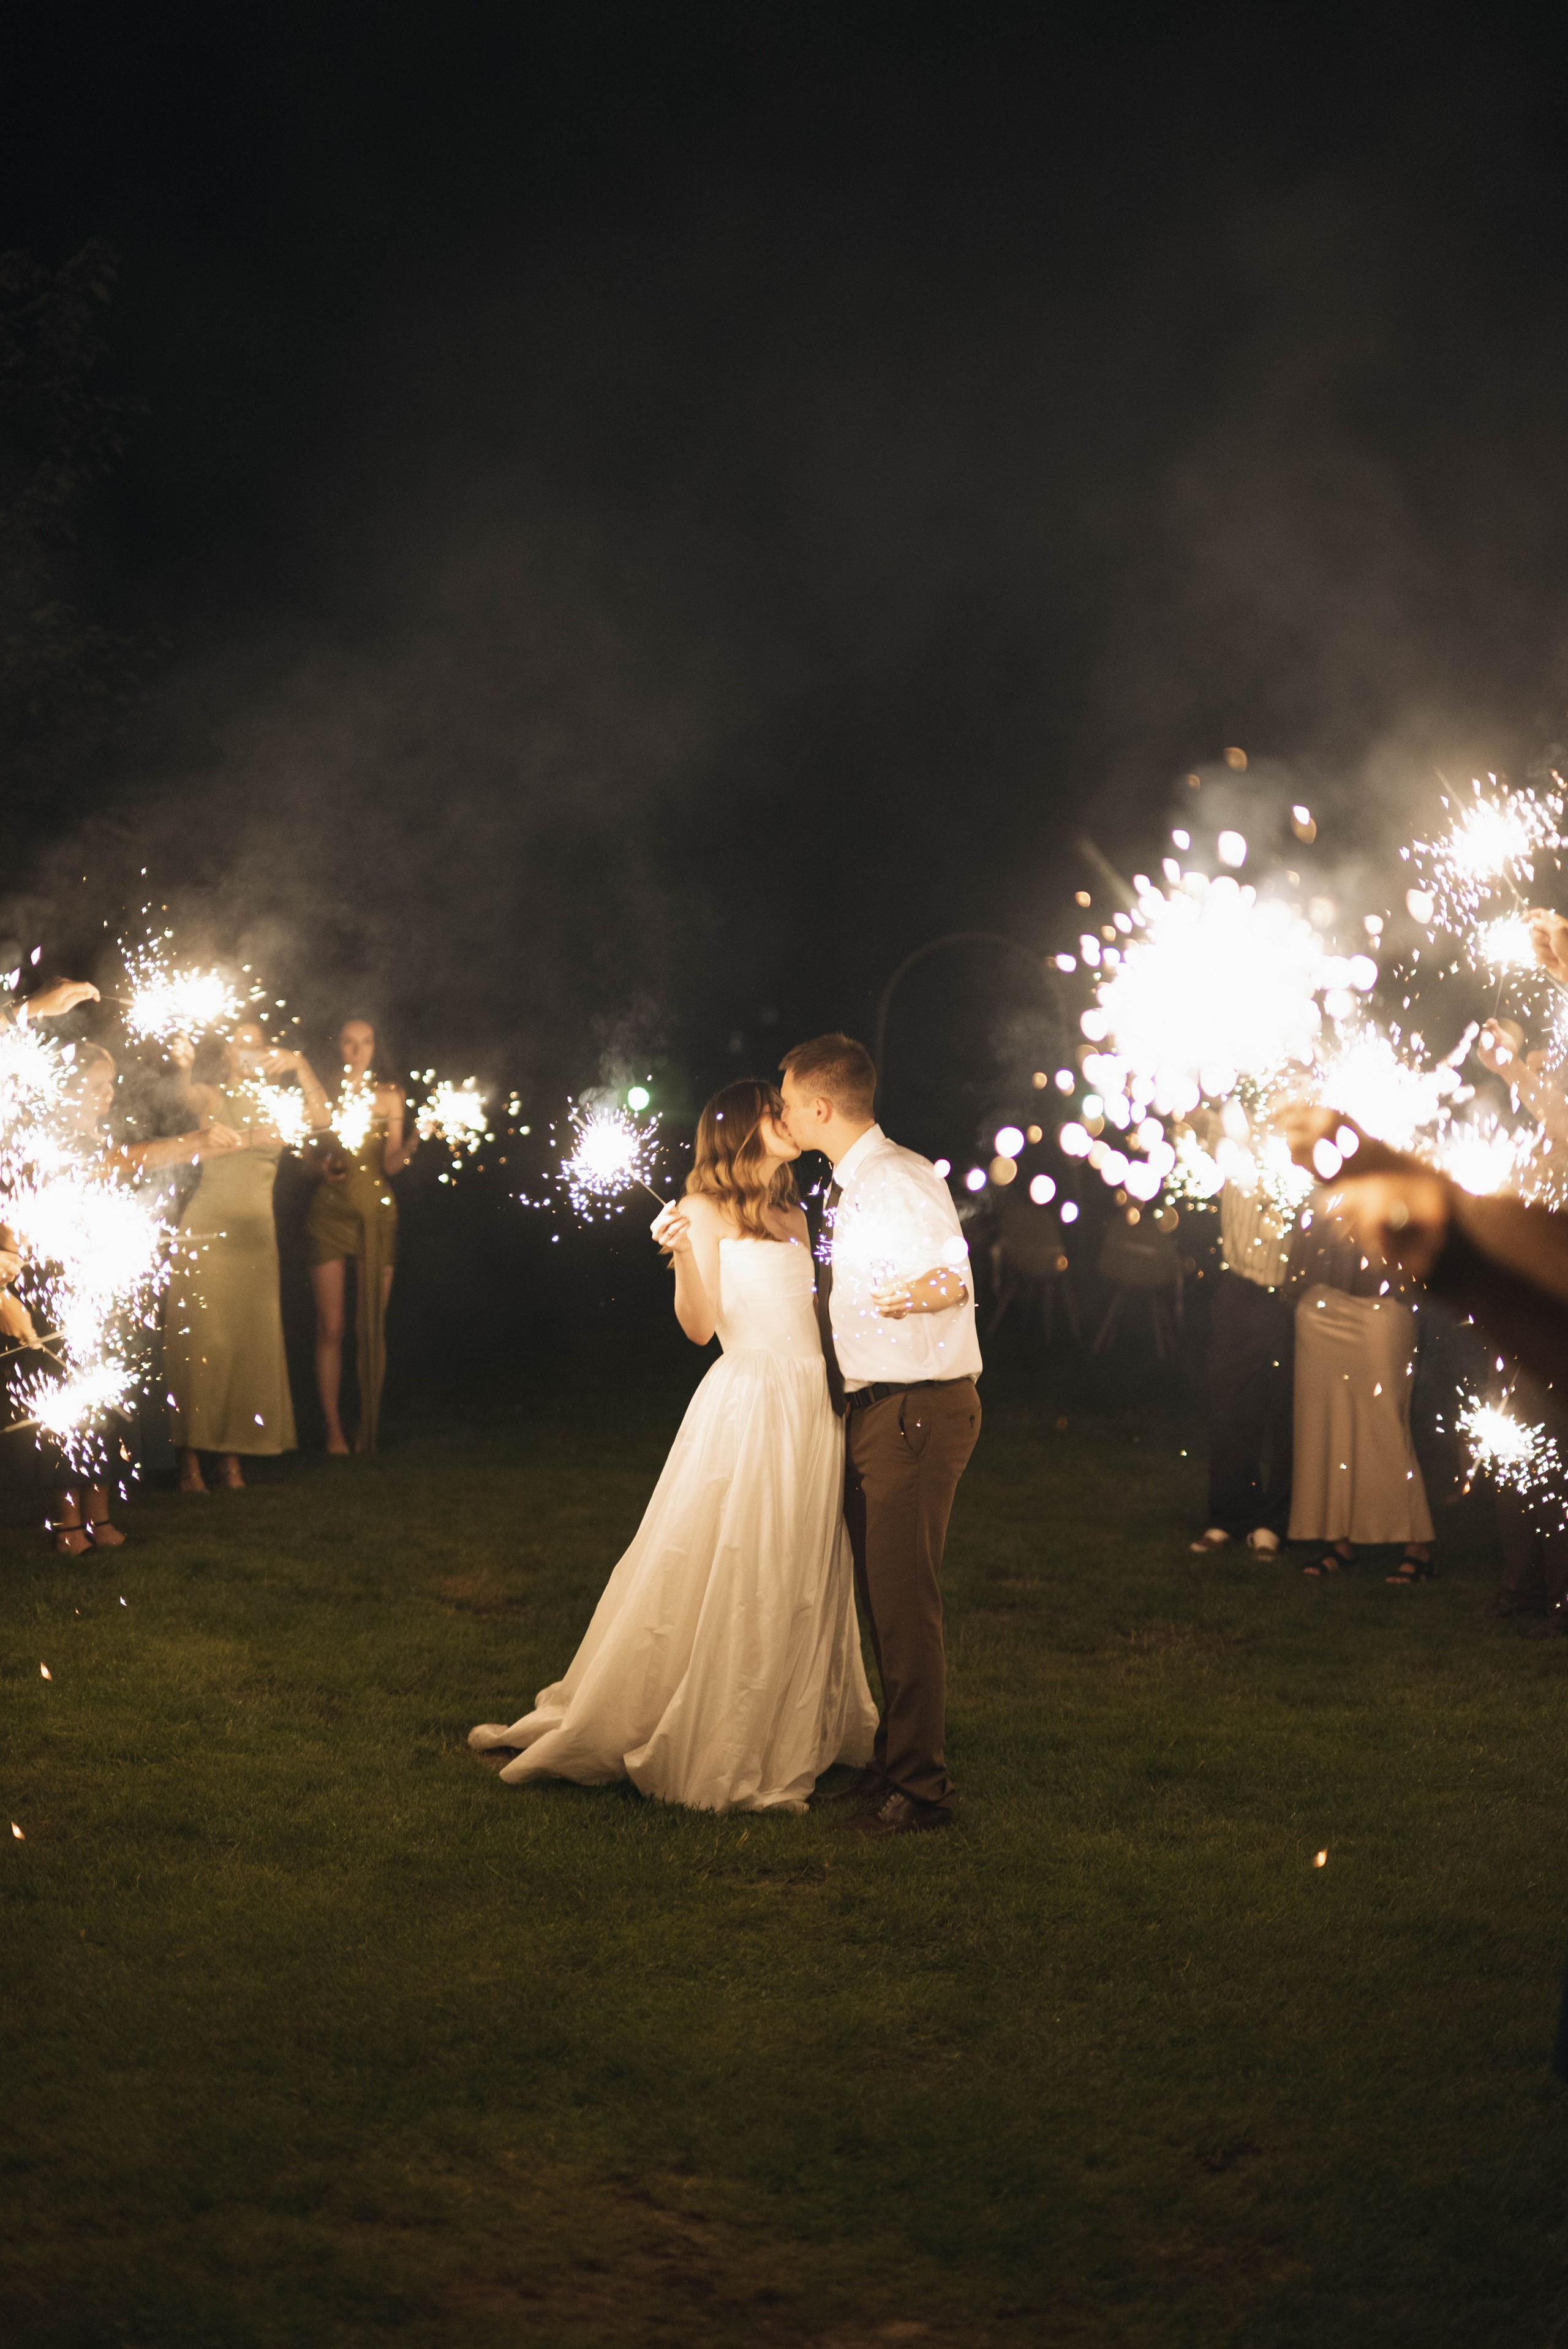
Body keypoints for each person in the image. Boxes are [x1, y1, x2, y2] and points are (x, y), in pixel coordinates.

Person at [469, 1078, 877, 1812]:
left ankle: (785, 1718)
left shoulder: (795, 1211)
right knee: (740, 1554)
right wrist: (685, 1254)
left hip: (812, 1404)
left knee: (798, 1557)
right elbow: (697, 1328)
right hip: (751, 1402)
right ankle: (714, 1725)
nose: (787, 1119)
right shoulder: (700, 1209)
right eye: (773, 1111)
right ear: (740, 1127)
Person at [777, 1032, 982, 1839]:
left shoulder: (896, 1177)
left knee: (904, 1603)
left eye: (789, 1103)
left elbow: (953, 1274)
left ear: (821, 1106)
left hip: (915, 1412)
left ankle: (923, 1792)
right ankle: (893, 1762)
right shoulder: (850, 1183)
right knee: (882, 1599)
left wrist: (916, 1291)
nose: (783, 1114)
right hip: (877, 1412)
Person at [2, 1042, 239, 1550]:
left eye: (109, 1084)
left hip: (105, 1284)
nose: (106, 1094)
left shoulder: (101, 1135)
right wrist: (194, 1141)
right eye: (94, 1085)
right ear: (65, 1090)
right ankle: (69, 1524)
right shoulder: (52, 1143)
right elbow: (125, 1161)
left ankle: (100, 1515)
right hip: (61, 1290)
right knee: (69, 1404)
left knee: (108, 1399)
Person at [164, 1019, 327, 1492]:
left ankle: (230, 1455)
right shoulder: (213, 1097)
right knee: (203, 1341)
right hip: (207, 1229)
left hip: (255, 1238)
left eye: (258, 1045)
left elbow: (323, 1120)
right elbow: (184, 1096)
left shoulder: (281, 1105)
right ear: (228, 1054)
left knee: (244, 1345)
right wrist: (183, 1066)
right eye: (240, 1044)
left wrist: (301, 1065)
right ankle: (189, 1456)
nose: (249, 1052)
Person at [306, 1018, 417, 1454]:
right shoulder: (322, 1094)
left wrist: (415, 1140)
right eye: (349, 1042)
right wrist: (318, 1167)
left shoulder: (390, 1095)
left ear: (375, 1047)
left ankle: (366, 1429)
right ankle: (333, 1430)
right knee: (332, 1327)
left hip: (375, 1213)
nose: (358, 1050)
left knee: (369, 1325)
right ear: (337, 1047)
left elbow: (390, 1165)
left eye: (366, 1042)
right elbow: (303, 1152)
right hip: (329, 1213)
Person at [1190, 1169, 1297, 1558]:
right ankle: (1228, 1516)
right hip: (1237, 1285)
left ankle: (1275, 1523)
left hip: (1289, 1294)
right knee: (1230, 1405)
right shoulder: (1231, 1135)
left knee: (1288, 1410)